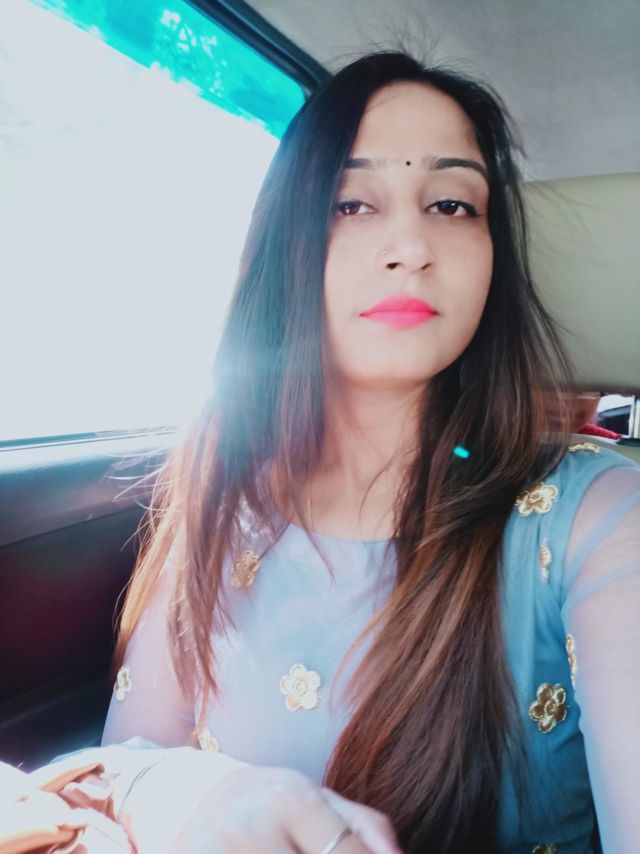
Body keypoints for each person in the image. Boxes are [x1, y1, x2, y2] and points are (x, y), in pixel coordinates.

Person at [99, 51, 640, 853]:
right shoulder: (222, 503)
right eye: (352, 204)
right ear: (288, 240)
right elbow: (115, 770)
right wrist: (185, 793)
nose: (410, 246)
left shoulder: (597, 517)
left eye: (452, 205)